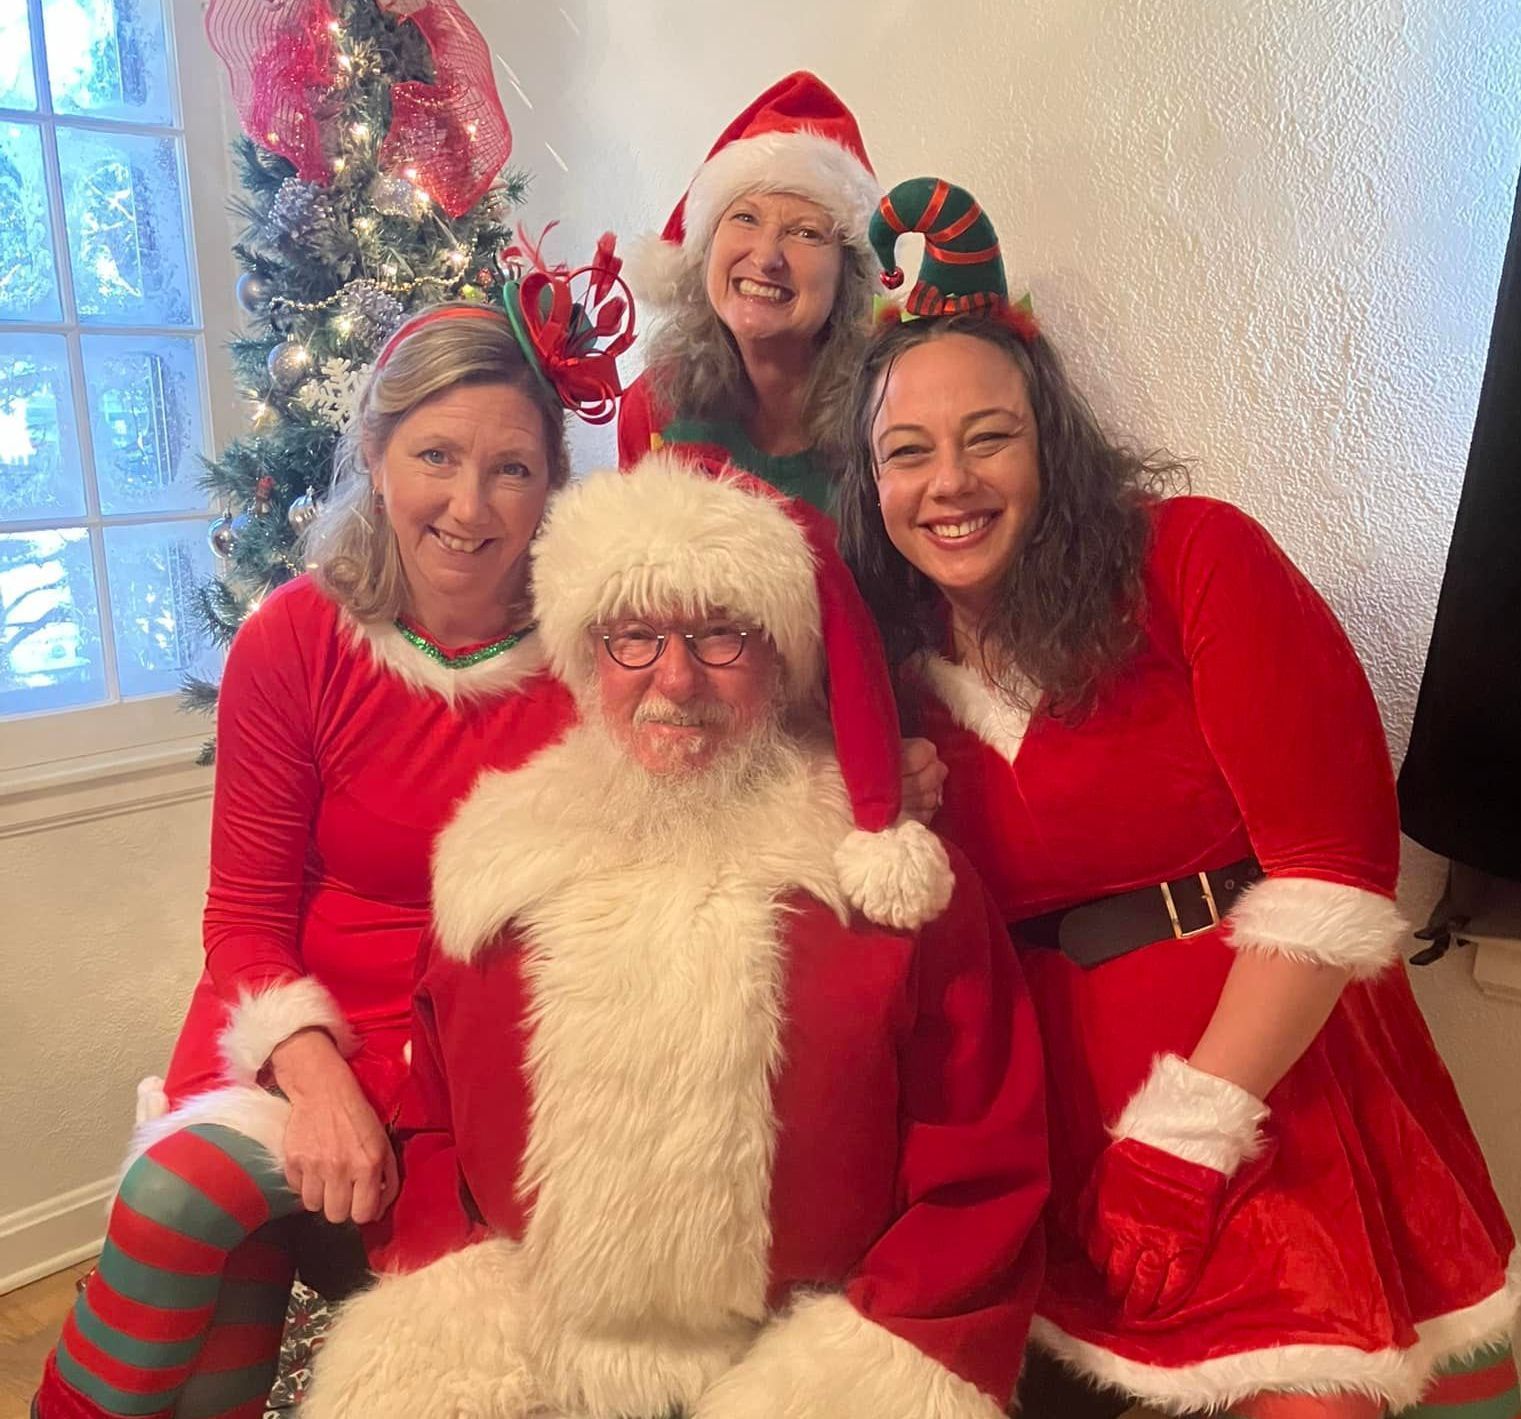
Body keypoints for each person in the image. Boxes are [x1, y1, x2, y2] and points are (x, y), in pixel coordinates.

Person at [837, 177, 1520, 1419]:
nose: (950, 481)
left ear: (1052, 444)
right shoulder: (883, 665)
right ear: (870, 483)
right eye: (907, 451)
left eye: (988, 436)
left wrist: (1194, 1129)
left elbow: (1333, 870)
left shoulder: (1193, 558)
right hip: (1036, 1121)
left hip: (1258, 1090)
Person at [298, 454, 1050, 1419]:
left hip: (814, 1358)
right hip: (523, 1338)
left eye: (721, 635)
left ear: (782, 661)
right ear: (587, 657)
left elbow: (980, 1169)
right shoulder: (496, 866)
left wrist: (867, 1358)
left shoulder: (886, 890)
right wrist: (455, 1280)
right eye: (635, 637)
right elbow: (433, 1116)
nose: (677, 678)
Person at [33, 246, 634, 1419]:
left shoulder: (592, 655)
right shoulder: (296, 640)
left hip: (474, 1056)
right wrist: (314, 1080)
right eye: (435, 457)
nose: (469, 507)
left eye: (511, 469)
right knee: (182, 1201)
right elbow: (244, 921)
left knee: (234, 1268)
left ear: (552, 484)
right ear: (374, 452)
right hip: (297, 1022)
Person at [617, 70, 880, 510]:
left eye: (806, 233)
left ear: (847, 273)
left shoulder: (888, 407)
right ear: (707, 246)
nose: (766, 257)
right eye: (745, 218)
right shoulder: (652, 407)